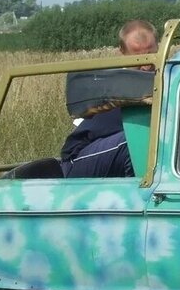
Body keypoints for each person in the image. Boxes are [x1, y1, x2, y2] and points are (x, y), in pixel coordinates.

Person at [60, 20, 158, 177]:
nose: (146, 66)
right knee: (136, 140)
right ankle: (141, 197)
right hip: (78, 159)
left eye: (150, 55)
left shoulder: (165, 79)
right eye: (138, 59)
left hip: (113, 151)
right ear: (123, 53)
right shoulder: (107, 85)